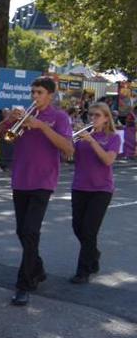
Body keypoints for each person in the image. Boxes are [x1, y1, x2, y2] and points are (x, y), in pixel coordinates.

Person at [0, 77, 73, 306]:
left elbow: (68, 148)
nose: (35, 96)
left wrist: (40, 126)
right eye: (33, 92)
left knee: (30, 230)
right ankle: (36, 268)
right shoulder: (22, 115)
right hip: (20, 179)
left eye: (39, 92)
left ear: (51, 95)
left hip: (43, 181)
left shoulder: (59, 117)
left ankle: (24, 284)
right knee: (23, 231)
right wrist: (8, 120)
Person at [69, 102, 119, 284]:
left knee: (89, 230)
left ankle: (83, 271)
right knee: (78, 227)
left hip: (101, 189)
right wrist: (70, 139)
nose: (93, 119)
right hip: (80, 186)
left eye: (97, 115)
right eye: (91, 115)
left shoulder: (112, 138)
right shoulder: (81, 137)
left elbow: (107, 160)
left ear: (106, 118)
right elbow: (68, 155)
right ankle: (94, 253)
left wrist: (91, 140)